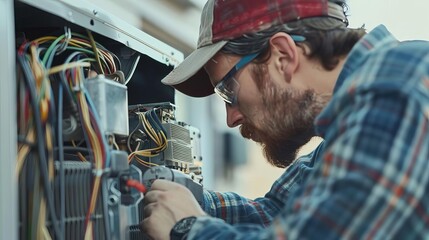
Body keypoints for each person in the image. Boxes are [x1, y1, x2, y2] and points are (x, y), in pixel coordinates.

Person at [141, 0, 429, 239]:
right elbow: (275, 212)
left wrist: (188, 228)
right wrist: (177, 197)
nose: (231, 118)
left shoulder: (398, 91)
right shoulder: (353, 123)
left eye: (228, 89)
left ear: (283, 57)